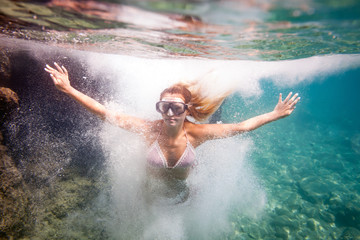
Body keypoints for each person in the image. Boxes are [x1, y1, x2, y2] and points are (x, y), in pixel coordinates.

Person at [45, 62, 300, 204]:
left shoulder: (197, 134)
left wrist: (274, 114)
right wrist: (69, 89)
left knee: (185, 206)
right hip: (150, 189)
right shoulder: (148, 129)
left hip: (183, 191)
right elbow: (105, 113)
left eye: (176, 107)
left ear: (185, 109)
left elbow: (241, 127)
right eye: (164, 107)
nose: (169, 113)